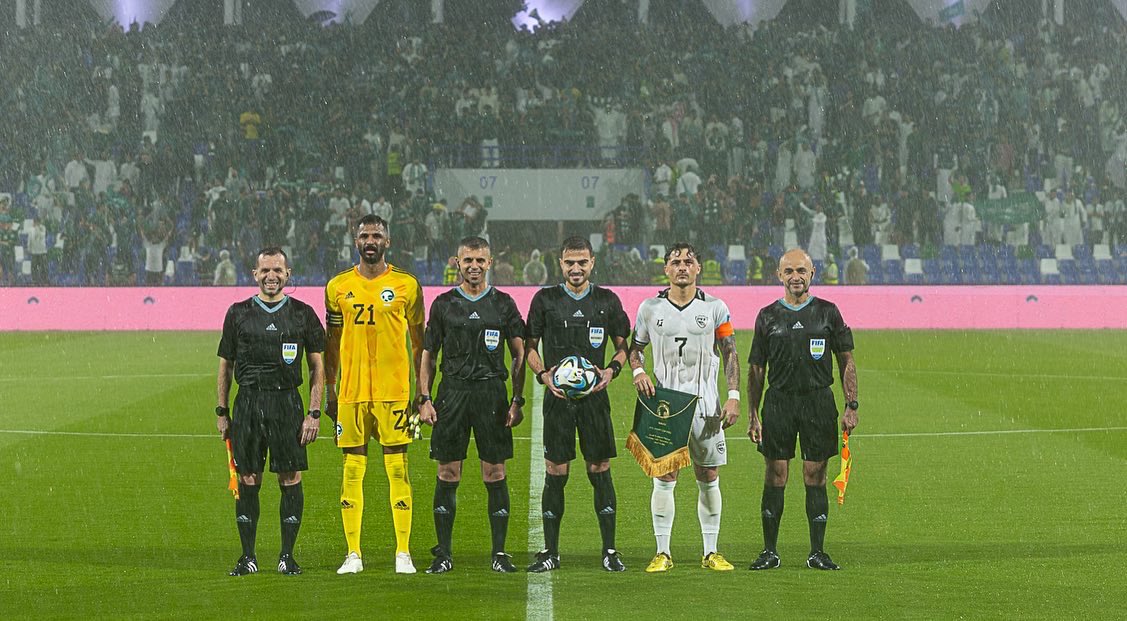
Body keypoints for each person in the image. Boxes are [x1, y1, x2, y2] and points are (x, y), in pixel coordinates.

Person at [628, 242, 741, 573]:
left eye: (688, 261)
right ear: (665, 269)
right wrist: (638, 372)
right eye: (675, 261)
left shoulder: (717, 307)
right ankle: (663, 552)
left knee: (708, 474)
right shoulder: (650, 308)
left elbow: (730, 350)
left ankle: (711, 552)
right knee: (664, 475)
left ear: (698, 268)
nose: (681, 266)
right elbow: (635, 348)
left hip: (706, 403)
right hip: (665, 403)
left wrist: (733, 394)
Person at [417, 236, 526, 574]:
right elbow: (428, 356)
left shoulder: (504, 303)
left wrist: (517, 400)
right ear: (457, 262)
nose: (474, 266)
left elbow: (520, 354)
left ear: (489, 262)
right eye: (468, 261)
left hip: (492, 394)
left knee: (494, 472)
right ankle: (444, 554)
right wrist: (424, 398)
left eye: (480, 260)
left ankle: (499, 553)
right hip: (452, 394)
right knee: (448, 472)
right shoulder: (443, 304)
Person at [324, 214, 425, 575]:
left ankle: (403, 553)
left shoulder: (407, 285)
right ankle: (353, 554)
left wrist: (422, 392)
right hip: (351, 393)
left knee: (398, 467)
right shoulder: (337, 286)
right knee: (352, 468)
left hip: (396, 393)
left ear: (388, 241)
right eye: (365, 235)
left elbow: (419, 344)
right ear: (356, 241)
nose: (371, 240)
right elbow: (331, 343)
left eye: (377, 235)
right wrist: (331, 389)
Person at [215, 246, 325, 576]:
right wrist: (222, 410)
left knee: (290, 478)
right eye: (265, 271)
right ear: (255, 274)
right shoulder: (238, 313)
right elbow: (225, 366)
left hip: (287, 404)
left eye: (278, 270)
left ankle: (287, 556)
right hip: (247, 403)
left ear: (288, 274)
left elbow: (318, 367)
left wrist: (314, 412)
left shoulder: (303, 314)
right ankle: (247, 557)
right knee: (248, 479)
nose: (271, 276)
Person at [746, 249, 858, 571]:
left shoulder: (828, 313)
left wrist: (851, 404)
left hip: (818, 402)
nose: (796, 277)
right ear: (779, 275)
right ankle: (770, 552)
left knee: (815, 474)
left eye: (802, 271)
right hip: (779, 401)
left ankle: (817, 552)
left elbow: (846, 361)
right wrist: (754, 414)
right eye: (789, 271)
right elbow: (756, 369)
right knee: (776, 473)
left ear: (812, 274)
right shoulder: (767, 316)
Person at [524, 236, 631, 573]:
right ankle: (551, 552)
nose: (575, 269)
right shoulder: (545, 300)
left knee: (599, 470)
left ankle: (610, 551)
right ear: (560, 263)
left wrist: (611, 371)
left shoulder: (607, 301)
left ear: (592, 262)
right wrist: (543, 375)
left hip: (594, 401)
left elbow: (623, 346)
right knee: (556, 472)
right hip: (557, 402)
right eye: (570, 263)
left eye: (582, 262)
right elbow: (529, 347)